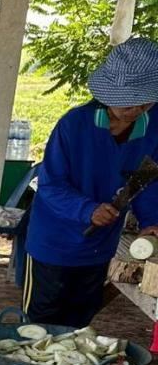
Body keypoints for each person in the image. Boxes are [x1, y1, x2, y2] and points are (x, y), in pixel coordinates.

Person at [23, 37, 158, 327]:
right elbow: (50, 186)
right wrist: (87, 210)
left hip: (99, 247)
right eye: (126, 101)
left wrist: (151, 221)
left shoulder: (154, 127)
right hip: (54, 243)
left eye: (143, 102)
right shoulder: (74, 125)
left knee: (79, 325)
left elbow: (146, 181)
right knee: (40, 325)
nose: (134, 109)